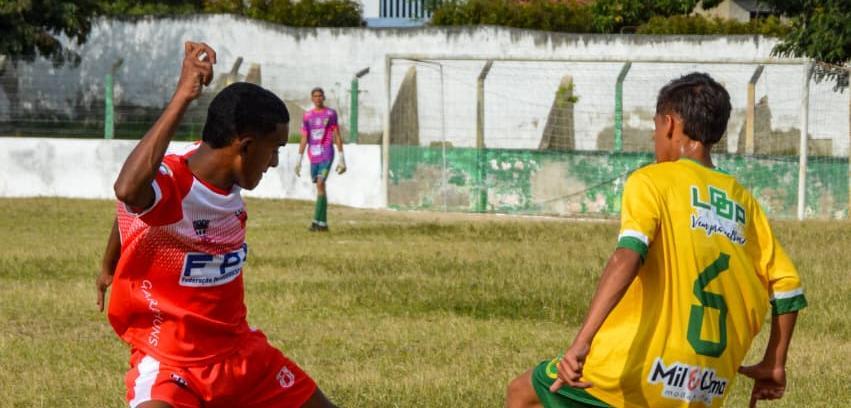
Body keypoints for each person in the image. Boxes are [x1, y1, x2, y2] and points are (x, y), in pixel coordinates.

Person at [506, 73, 807, 408]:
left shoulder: (651, 181)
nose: (654, 137)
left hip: (640, 368)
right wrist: (774, 363)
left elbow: (628, 256)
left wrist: (581, 342)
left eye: (654, 128)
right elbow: (788, 286)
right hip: (705, 382)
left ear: (668, 124)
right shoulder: (744, 203)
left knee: (523, 395)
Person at [101, 41, 336, 408]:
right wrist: (183, 95)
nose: (273, 162)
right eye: (274, 148)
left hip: (241, 356)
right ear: (244, 146)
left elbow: (129, 210)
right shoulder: (174, 185)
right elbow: (127, 191)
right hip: (172, 365)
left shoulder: (211, 170)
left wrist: (107, 265)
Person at [295, 87, 346, 232]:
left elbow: (336, 134)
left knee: (320, 183)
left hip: (327, 153)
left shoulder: (331, 114)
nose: (318, 98)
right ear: (312, 99)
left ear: (324, 98)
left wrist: (341, 157)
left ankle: (316, 222)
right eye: (315, 96)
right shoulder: (307, 116)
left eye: (320, 96)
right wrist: (299, 158)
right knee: (320, 186)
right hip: (313, 155)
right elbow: (304, 137)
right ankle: (322, 223)